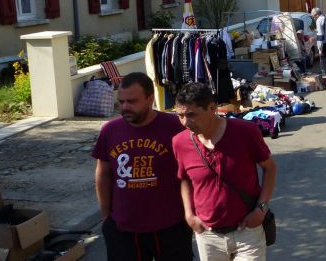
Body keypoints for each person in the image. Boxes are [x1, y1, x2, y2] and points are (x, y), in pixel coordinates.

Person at [91, 72, 193, 261]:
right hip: (123, 230)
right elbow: (103, 174)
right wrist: (106, 216)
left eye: (132, 101)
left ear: (150, 98)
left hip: (170, 227)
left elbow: (191, 172)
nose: (125, 107)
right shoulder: (110, 130)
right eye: (121, 102)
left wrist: (191, 213)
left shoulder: (175, 127)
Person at [172, 83, 277, 261]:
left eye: (191, 115)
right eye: (180, 115)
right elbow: (185, 180)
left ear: (212, 108)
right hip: (208, 235)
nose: (185, 122)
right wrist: (189, 215)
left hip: (247, 231)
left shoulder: (244, 132)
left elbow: (270, 167)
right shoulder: (179, 142)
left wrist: (261, 209)